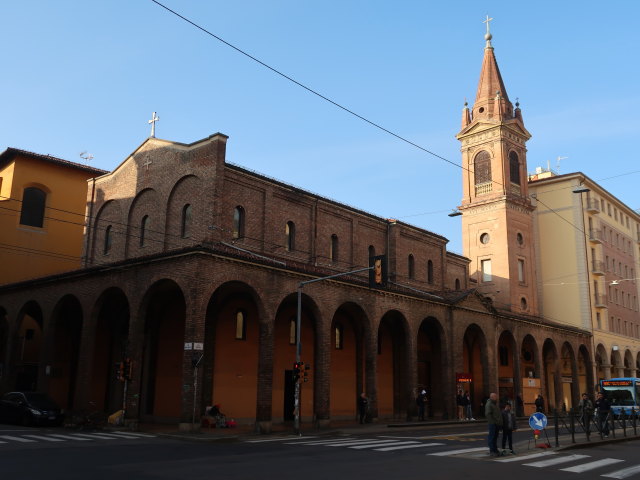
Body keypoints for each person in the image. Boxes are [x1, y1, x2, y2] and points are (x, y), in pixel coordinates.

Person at [485, 392, 503, 456]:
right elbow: (488, 414)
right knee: (492, 437)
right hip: (493, 424)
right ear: (492, 397)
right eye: (495, 397)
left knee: (495, 437)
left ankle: (495, 450)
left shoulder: (494, 404)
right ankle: (492, 451)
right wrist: (492, 422)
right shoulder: (489, 404)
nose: (497, 398)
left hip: (496, 424)